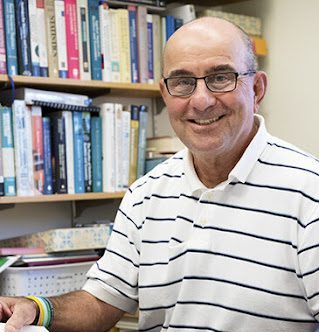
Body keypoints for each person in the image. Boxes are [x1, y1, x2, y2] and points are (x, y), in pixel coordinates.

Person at [1, 16, 319, 332]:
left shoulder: (309, 193)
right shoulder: (145, 193)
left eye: (221, 77)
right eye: (183, 82)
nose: (202, 100)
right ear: (165, 95)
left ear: (258, 88)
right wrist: (36, 308)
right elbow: (100, 302)